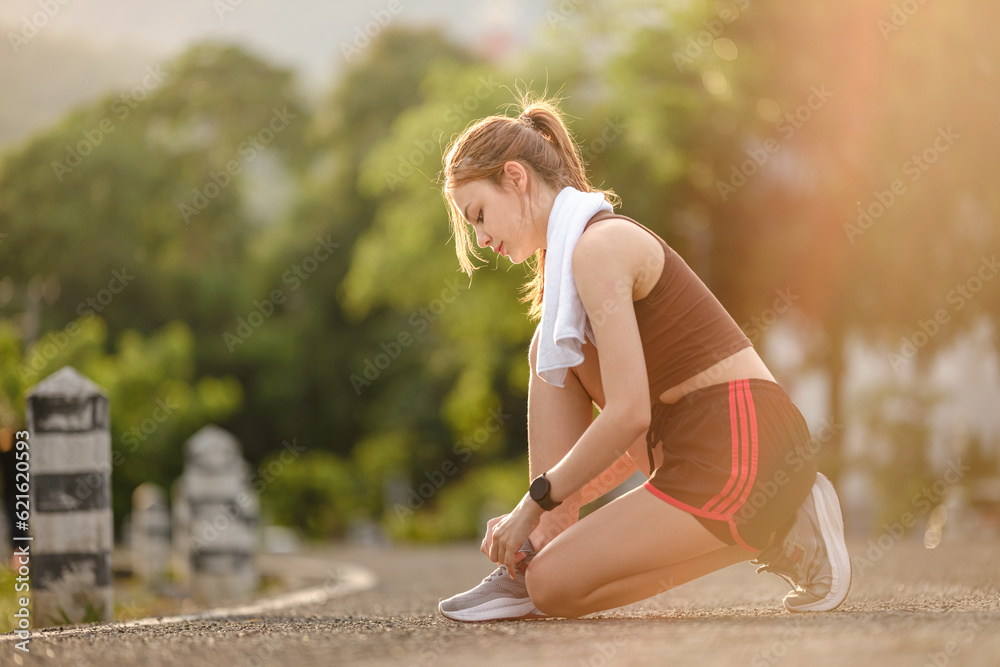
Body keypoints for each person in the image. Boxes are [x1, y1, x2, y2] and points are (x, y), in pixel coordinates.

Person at [436, 96, 851, 622]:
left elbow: (630, 412)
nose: (481, 237)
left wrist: (531, 503)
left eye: (478, 215)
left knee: (552, 354)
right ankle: (535, 555)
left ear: (515, 178)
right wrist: (543, 517)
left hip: (745, 440)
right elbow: (633, 440)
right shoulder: (575, 276)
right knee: (553, 589)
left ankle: (782, 520)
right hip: (683, 445)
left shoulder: (601, 247)